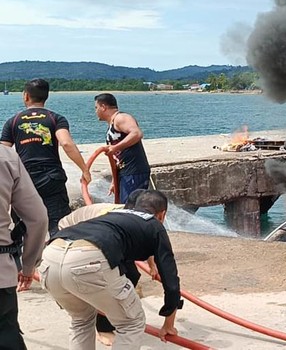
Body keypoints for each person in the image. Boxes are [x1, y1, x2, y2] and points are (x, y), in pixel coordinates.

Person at [38, 190, 180, 349]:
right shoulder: (154, 225)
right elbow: (171, 281)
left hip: (51, 256)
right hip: (87, 257)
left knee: (81, 320)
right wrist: (168, 323)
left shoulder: (113, 214)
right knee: (131, 323)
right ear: (162, 214)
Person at [57, 189, 157, 346]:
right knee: (100, 283)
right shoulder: (117, 217)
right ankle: (103, 328)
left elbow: (145, 238)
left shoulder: (132, 216)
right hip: (72, 235)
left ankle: (113, 315)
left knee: (132, 274)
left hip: (98, 240)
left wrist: (152, 265)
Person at [1, 78, 91, 237]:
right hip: (52, 178)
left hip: (24, 180)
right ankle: (58, 257)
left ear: (26, 96)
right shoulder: (55, 118)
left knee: (23, 227)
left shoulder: (13, 121)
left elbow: (3, 152)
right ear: (46, 96)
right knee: (59, 225)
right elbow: (67, 144)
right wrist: (84, 169)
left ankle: (24, 259)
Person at [0, 145, 49, 349]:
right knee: (5, 333)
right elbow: (38, 218)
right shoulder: (5, 156)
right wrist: (28, 266)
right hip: (2, 271)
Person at [94, 93, 150, 203]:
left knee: (130, 208)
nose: (95, 111)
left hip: (134, 171)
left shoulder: (120, 118)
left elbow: (136, 133)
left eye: (96, 108)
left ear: (103, 107)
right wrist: (114, 181)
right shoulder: (112, 124)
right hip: (125, 172)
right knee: (124, 206)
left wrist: (116, 147)